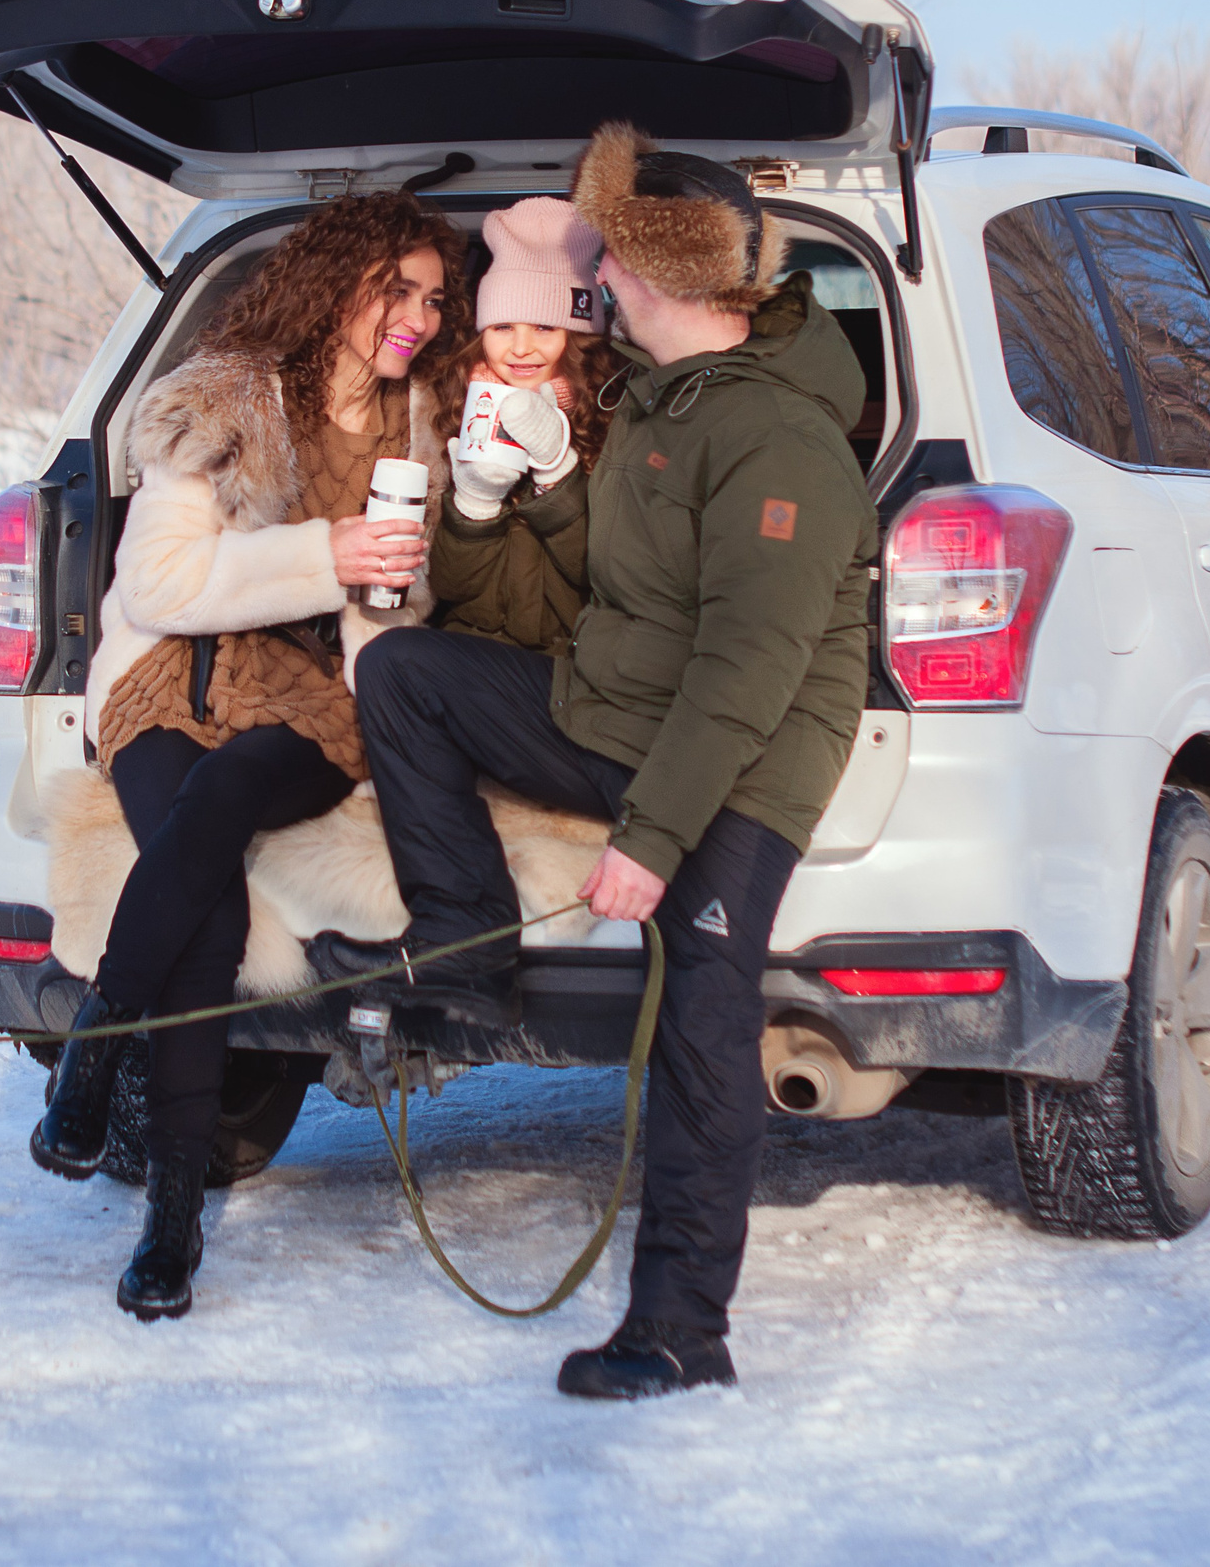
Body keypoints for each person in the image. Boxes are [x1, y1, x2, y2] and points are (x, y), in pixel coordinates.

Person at [310, 123, 877, 1399]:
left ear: (665, 277)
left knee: (698, 1013)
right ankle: (464, 954)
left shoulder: (776, 441)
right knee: (405, 674)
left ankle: (681, 1326)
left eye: (612, 261)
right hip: (610, 714)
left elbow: (746, 672)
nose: (597, 284)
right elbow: (593, 602)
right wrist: (494, 497)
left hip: (735, 769)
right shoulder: (659, 398)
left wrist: (650, 841)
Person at [31, 192, 465, 1322]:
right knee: (209, 903)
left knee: (222, 800)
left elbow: (396, 596)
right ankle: (170, 1216)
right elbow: (160, 587)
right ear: (332, 283)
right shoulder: (226, 399)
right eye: (395, 290)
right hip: (168, 678)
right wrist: (327, 549)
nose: (417, 316)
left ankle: (96, 1052)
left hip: (312, 701)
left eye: (431, 296)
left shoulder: (417, 422)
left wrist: (385, 597)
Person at [428, 197, 622, 654]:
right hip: (473, 654)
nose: (519, 349)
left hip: (575, 663)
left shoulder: (615, 415)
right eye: (501, 327)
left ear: (577, 336)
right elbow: (449, 586)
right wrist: (476, 502)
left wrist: (557, 470)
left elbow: (605, 578)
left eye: (542, 327)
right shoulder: (451, 409)